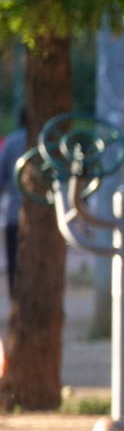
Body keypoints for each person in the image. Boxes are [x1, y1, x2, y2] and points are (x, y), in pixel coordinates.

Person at [0, 111, 26, 298]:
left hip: (15, 216)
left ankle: (17, 304)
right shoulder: (51, 141)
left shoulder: (12, 142)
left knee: (16, 266)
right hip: (49, 222)